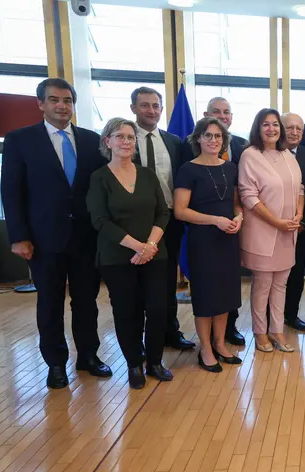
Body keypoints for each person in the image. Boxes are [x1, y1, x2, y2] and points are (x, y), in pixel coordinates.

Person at [1, 78, 111, 389]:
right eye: (54, 100)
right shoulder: (20, 140)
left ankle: (88, 356)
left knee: (87, 301)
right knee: (49, 303)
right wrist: (18, 236)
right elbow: (11, 191)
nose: (62, 106)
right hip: (42, 239)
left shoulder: (91, 141)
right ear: (41, 104)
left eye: (67, 100)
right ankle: (55, 363)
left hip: (85, 237)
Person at [87, 117, 173, 389]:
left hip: (154, 254)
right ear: (107, 141)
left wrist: (149, 246)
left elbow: (162, 212)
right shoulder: (99, 177)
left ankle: (156, 361)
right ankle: (134, 364)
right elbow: (99, 220)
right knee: (127, 312)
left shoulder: (147, 175)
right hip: (117, 258)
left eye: (130, 137)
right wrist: (138, 247)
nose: (125, 142)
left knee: (158, 309)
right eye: (119, 136)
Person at [174, 117, 244, 373]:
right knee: (205, 295)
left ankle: (220, 343)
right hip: (202, 241)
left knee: (225, 294)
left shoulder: (231, 167)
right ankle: (205, 347)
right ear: (198, 139)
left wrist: (239, 217)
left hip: (228, 238)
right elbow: (180, 211)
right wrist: (215, 220)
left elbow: (236, 202)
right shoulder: (188, 169)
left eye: (218, 136)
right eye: (208, 135)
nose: (213, 140)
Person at [129, 86, 195, 351]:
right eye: (144, 105)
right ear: (133, 108)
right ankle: (138, 339)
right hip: (133, 224)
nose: (151, 111)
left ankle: (169, 330)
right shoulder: (124, 138)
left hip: (169, 221)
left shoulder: (174, 142)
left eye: (156, 106)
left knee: (167, 281)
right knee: (135, 285)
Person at [239, 109, 304, 353]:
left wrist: (299, 214)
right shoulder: (250, 155)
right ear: (258, 128)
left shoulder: (288, 154)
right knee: (263, 284)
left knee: (281, 284)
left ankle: (277, 329)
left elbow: (300, 189)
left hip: (288, 231)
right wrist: (276, 221)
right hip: (263, 231)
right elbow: (248, 195)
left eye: (275, 124)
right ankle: (260, 332)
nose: (271, 129)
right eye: (265, 124)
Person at [203, 96, 249, 346]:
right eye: (216, 112)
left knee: (231, 279)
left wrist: (240, 215)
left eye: (227, 112)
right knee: (209, 281)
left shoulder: (242, 146)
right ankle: (207, 334)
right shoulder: (193, 147)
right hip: (205, 227)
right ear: (205, 115)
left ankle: (229, 326)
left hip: (236, 221)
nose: (222, 116)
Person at [279, 112, 305, 332]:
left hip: (302, 228)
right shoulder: (267, 155)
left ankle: (290, 315)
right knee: (272, 277)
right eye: (289, 127)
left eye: (298, 129)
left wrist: (303, 222)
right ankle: (268, 318)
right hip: (271, 226)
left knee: (296, 274)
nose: (294, 132)